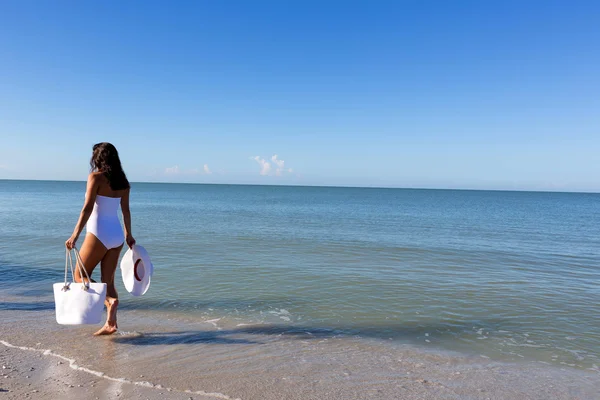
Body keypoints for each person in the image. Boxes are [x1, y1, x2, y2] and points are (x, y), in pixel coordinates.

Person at [65, 142, 135, 336]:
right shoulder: (123, 182)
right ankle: (111, 324)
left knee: (79, 275)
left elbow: (87, 208)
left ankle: (108, 302)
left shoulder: (95, 177)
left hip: (98, 233)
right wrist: (128, 235)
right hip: (117, 235)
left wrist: (74, 235)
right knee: (108, 282)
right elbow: (126, 211)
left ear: (98, 158)